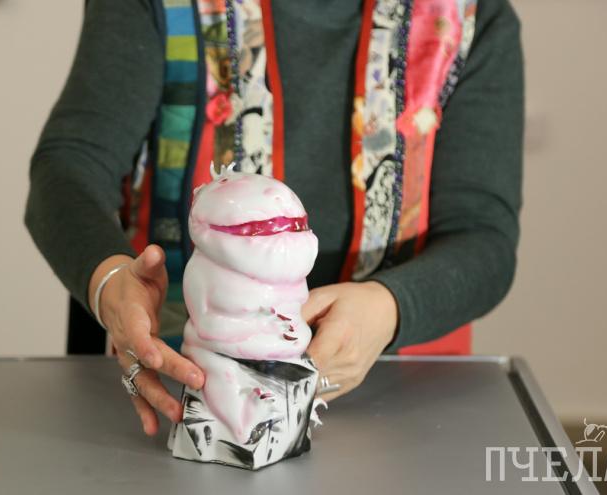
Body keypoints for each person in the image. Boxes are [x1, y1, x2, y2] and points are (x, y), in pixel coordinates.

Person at [25, 0, 523, 437]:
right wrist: (110, 280)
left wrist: (392, 306)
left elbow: (484, 237)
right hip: (186, 393)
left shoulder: (468, 17)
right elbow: (69, 167)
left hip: (404, 412)